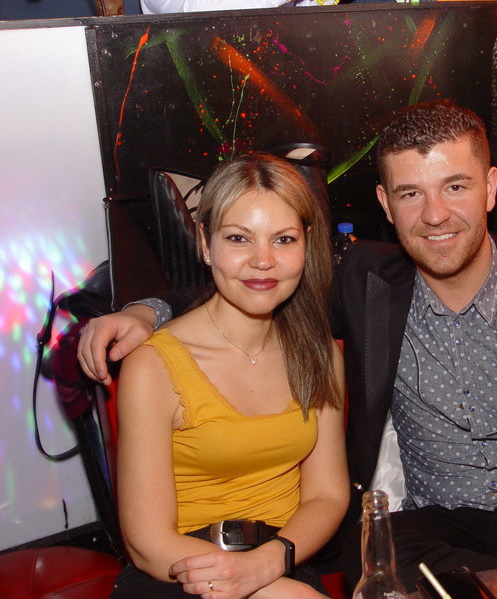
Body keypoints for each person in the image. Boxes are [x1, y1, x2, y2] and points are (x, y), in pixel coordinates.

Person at [79, 101, 497, 592]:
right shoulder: (364, 285)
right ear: (385, 203)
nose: (434, 214)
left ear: (491, 187)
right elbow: (257, 279)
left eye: (455, 186)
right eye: (411, 193)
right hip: (428, 533)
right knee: (384, 566)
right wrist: (147, 310)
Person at [106, 153, 348, 599]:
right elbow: (147, 543)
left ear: (306, 245)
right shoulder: (154, 366)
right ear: (205, 242)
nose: (263, 261)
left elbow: (327, 496)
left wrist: (268, 565)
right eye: (239, 238)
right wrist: (263, 586)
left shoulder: (320, 354)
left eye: (283, 239)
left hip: (282, 558)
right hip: (177, 572)